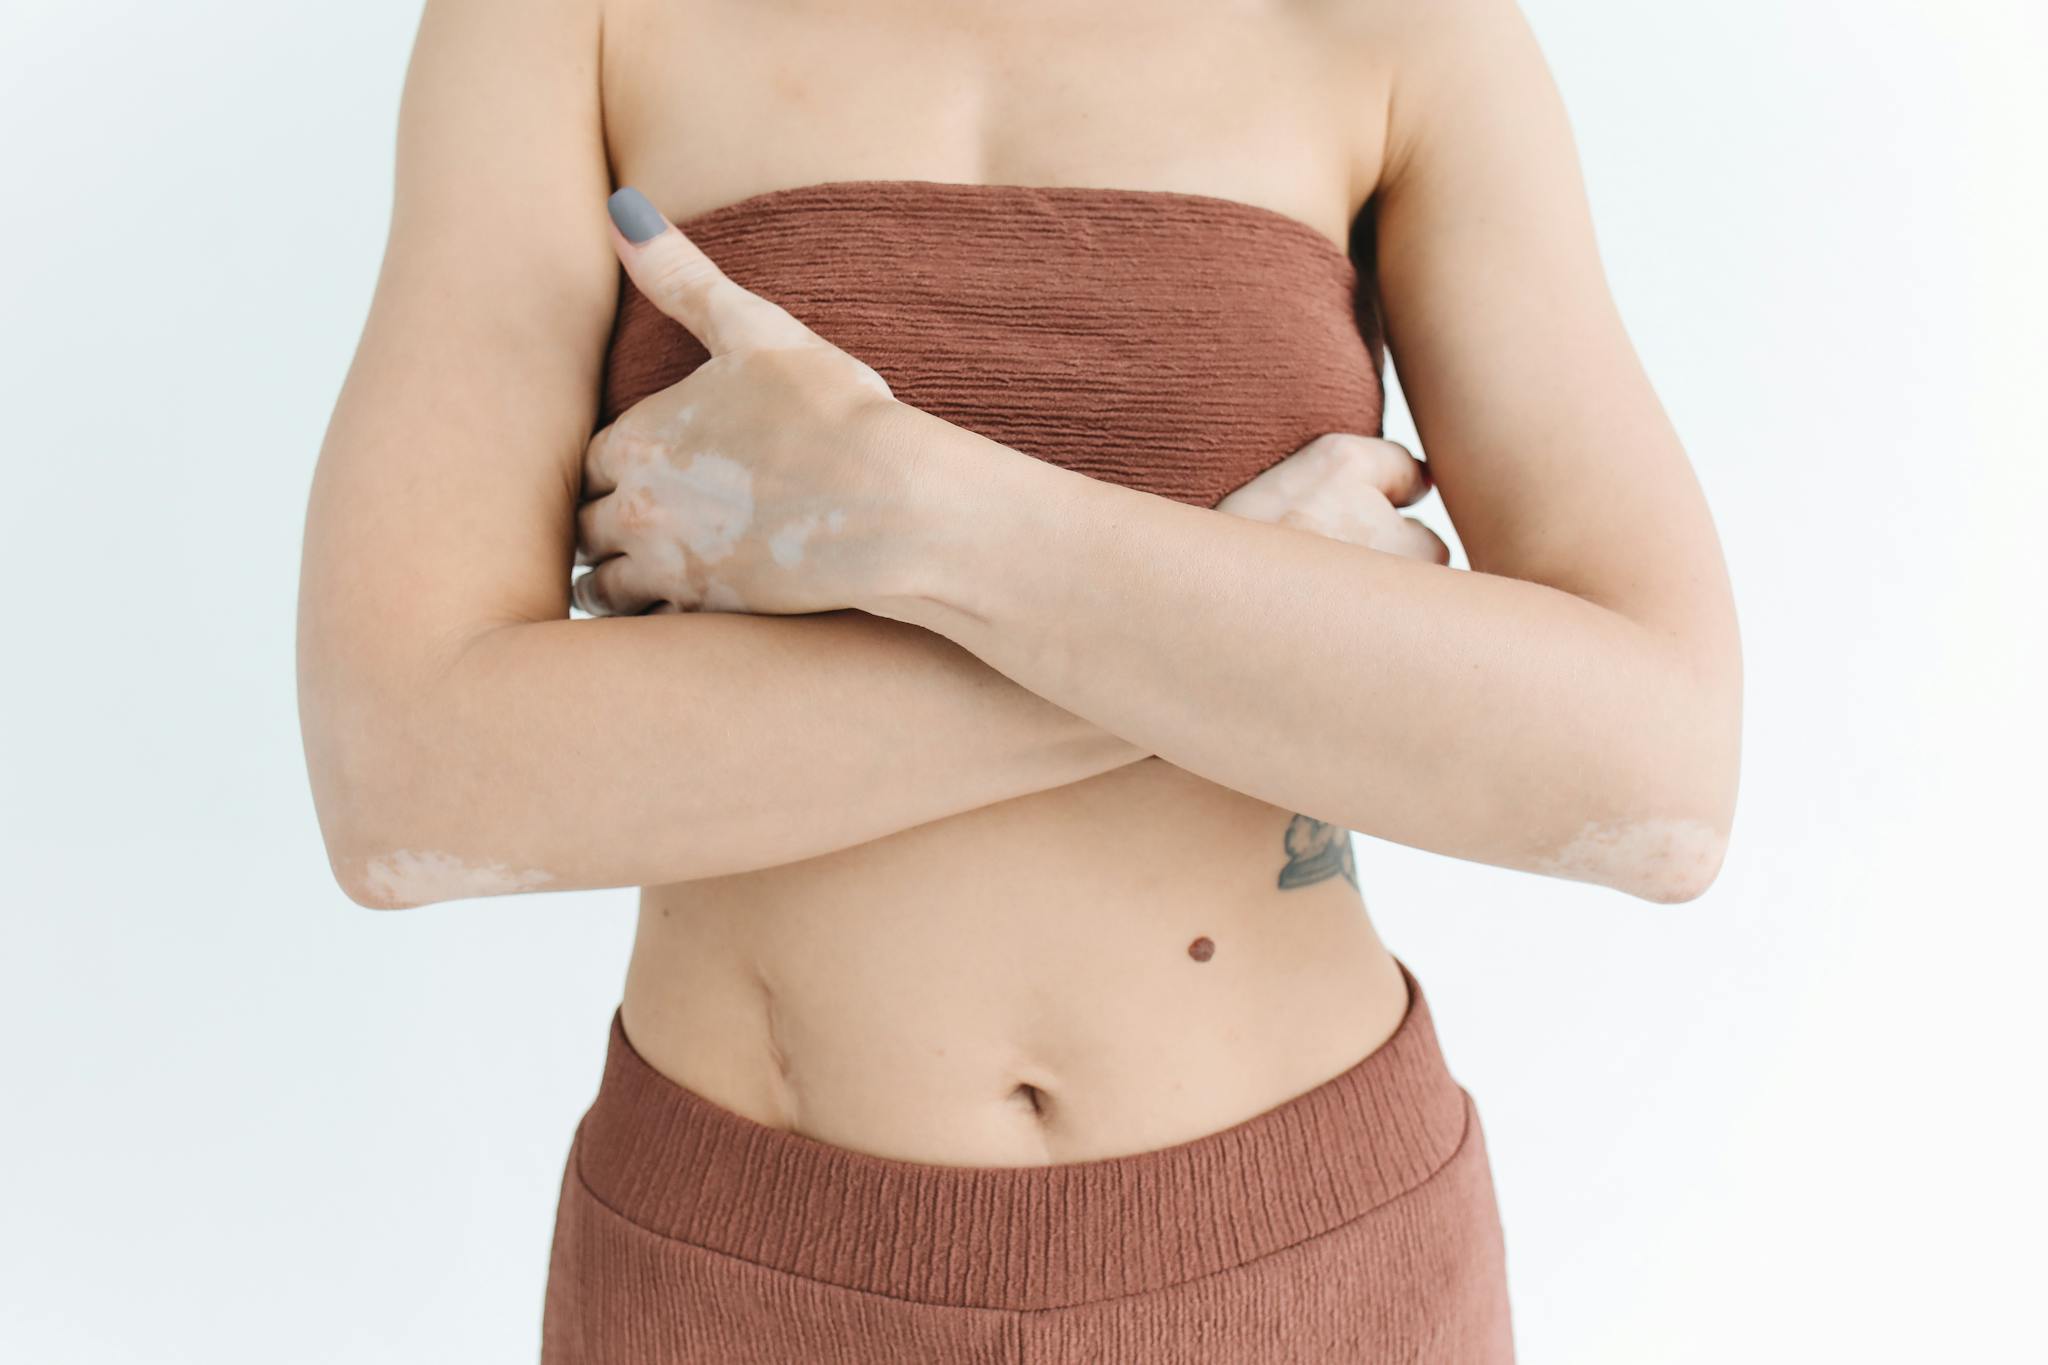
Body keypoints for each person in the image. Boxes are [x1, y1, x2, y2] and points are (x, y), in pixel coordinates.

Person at [296, 0, 1742, 1359]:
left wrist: (916, 508)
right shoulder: (565, 21)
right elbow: (406, 777)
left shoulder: (1391, 26)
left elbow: (1657, 778)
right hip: (740, 1270)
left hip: (1306, 1258)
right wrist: (1229, 612)